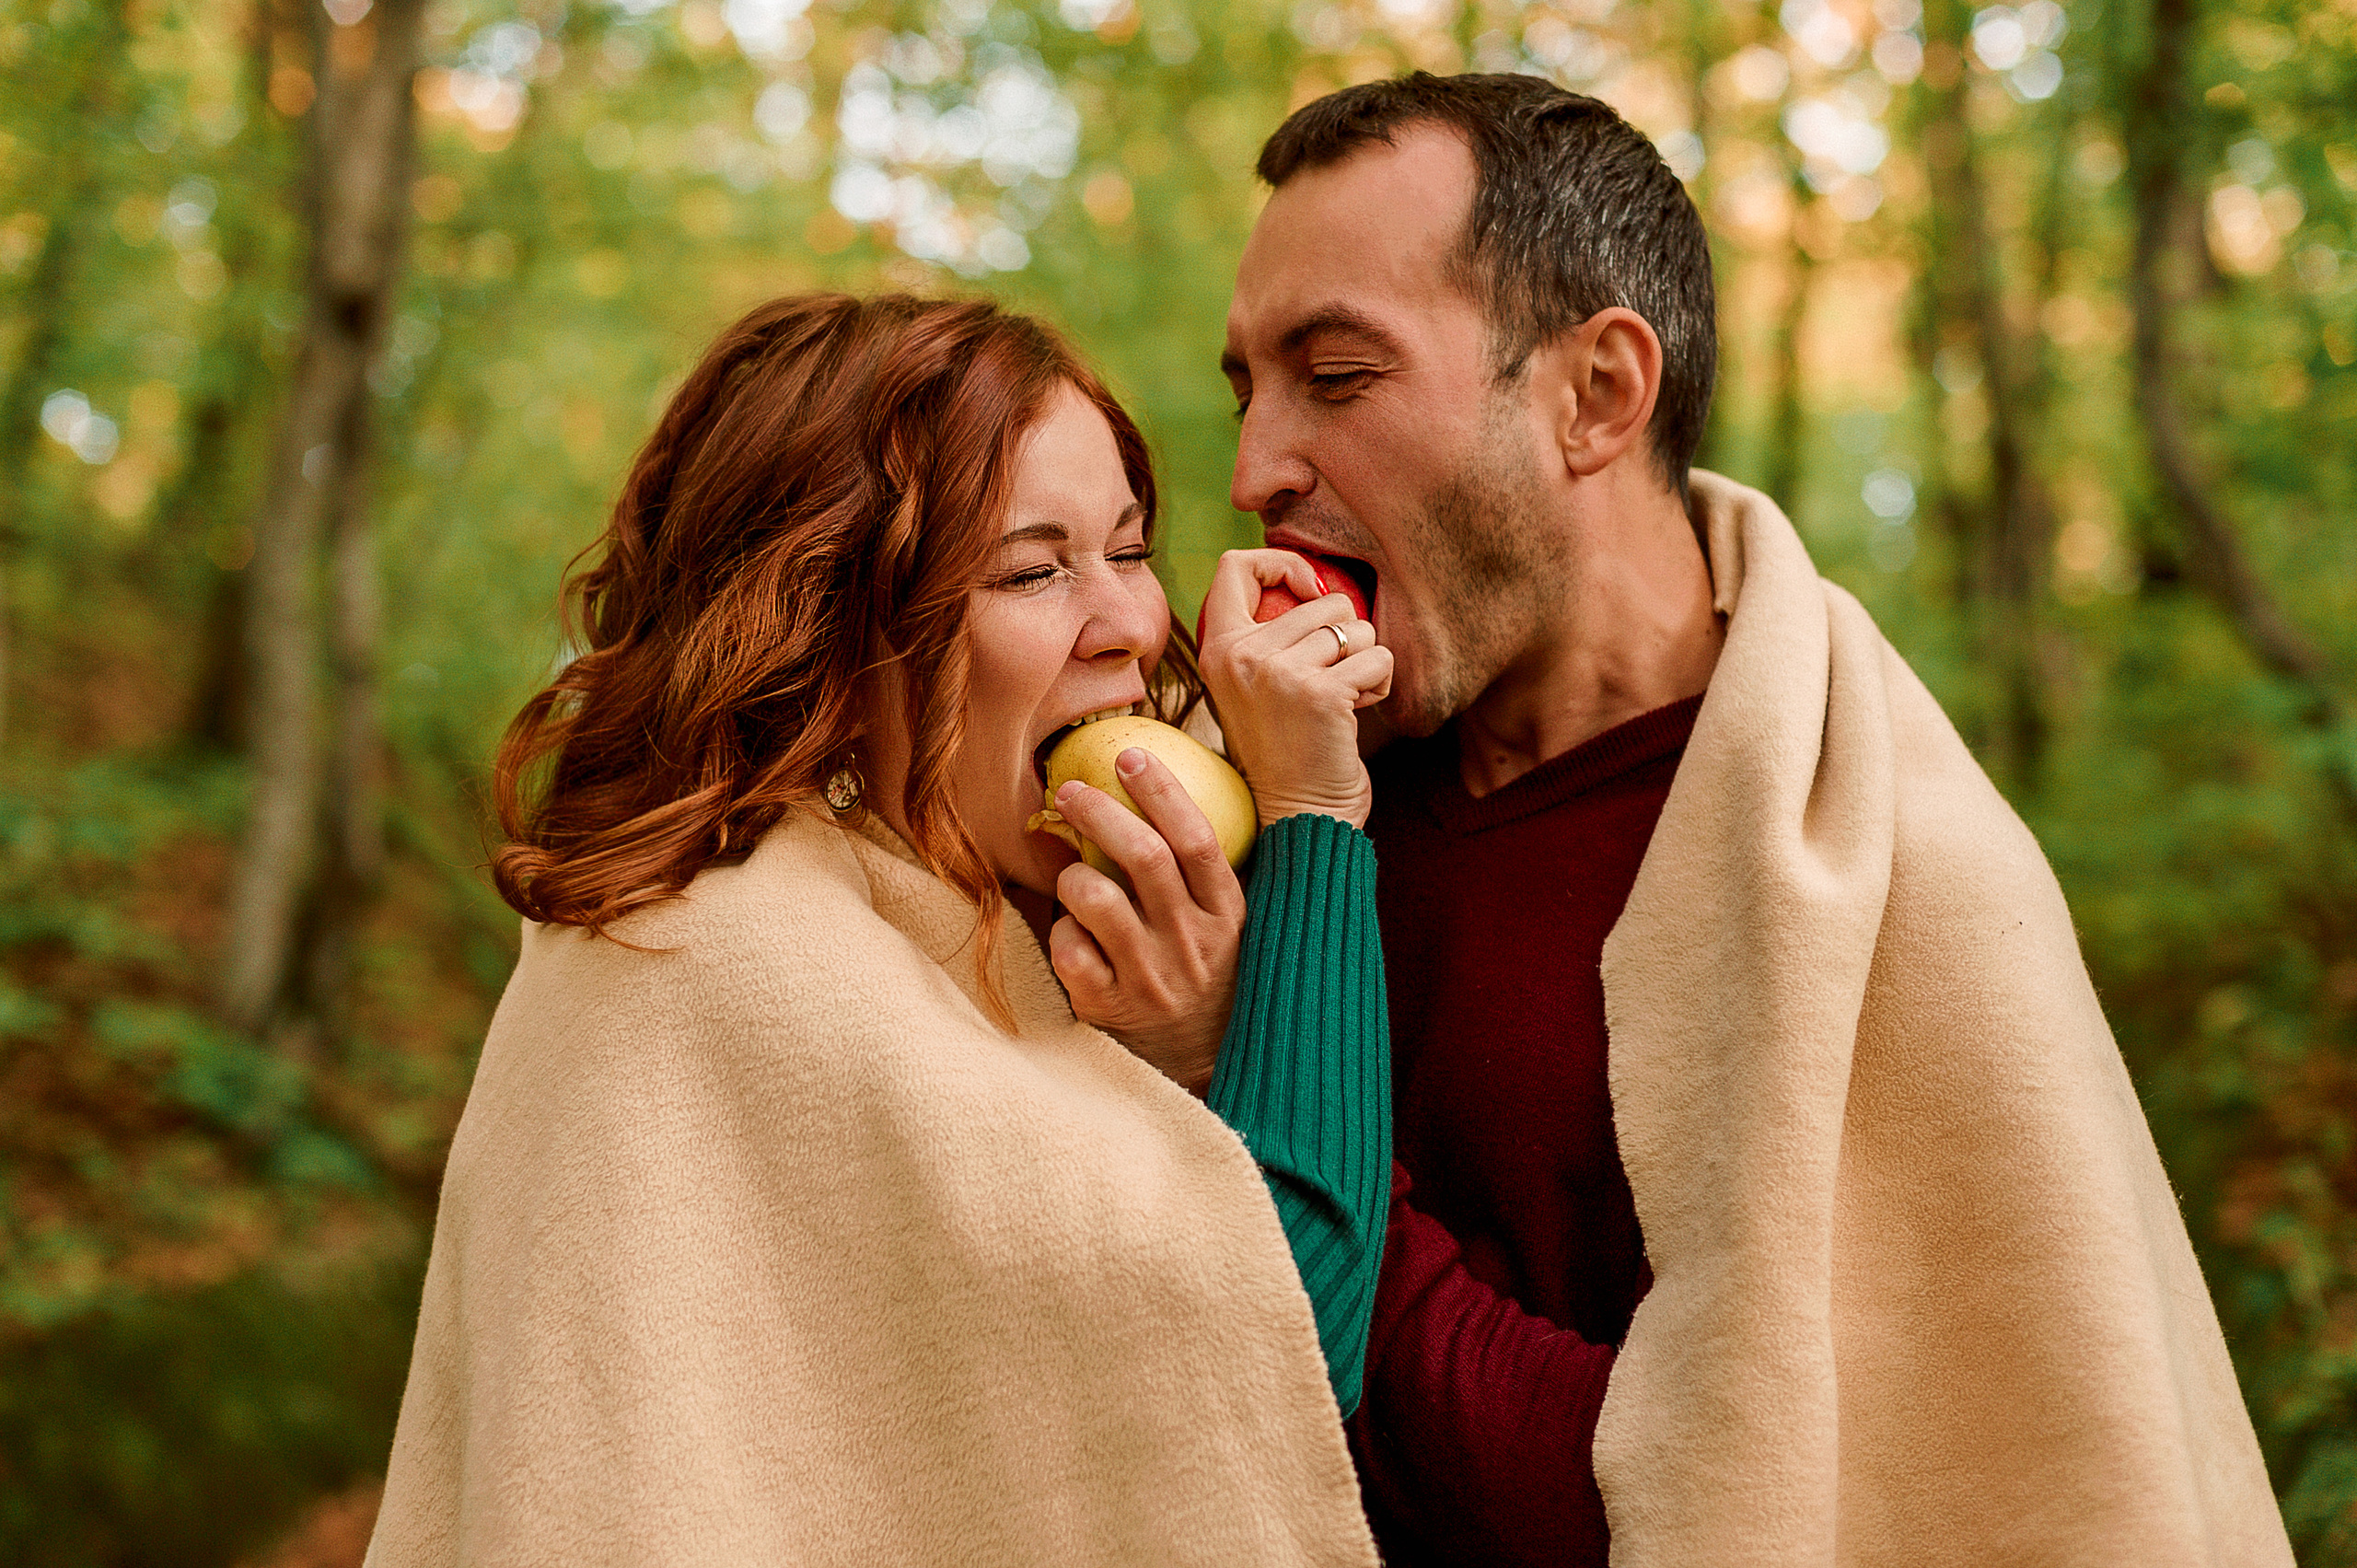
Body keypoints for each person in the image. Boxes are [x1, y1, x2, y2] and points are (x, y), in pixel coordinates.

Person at [1215, 72, 2294, 1566]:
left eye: (1335, 378)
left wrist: (1249, 1064)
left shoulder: (1905, 882)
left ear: (1597, 393)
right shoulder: (1280, 800)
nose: (1254, 467)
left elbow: (1707, 1511)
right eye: (1246, 388)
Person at [366, 294, 1396, 1566]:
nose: (1134, 622)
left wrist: (1180, 1038)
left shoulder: (927, 911)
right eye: (1031, 569)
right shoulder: (722, 954)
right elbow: (1284, 1327)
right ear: (822, 629)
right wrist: (1315, 818)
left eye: (1129, 550)